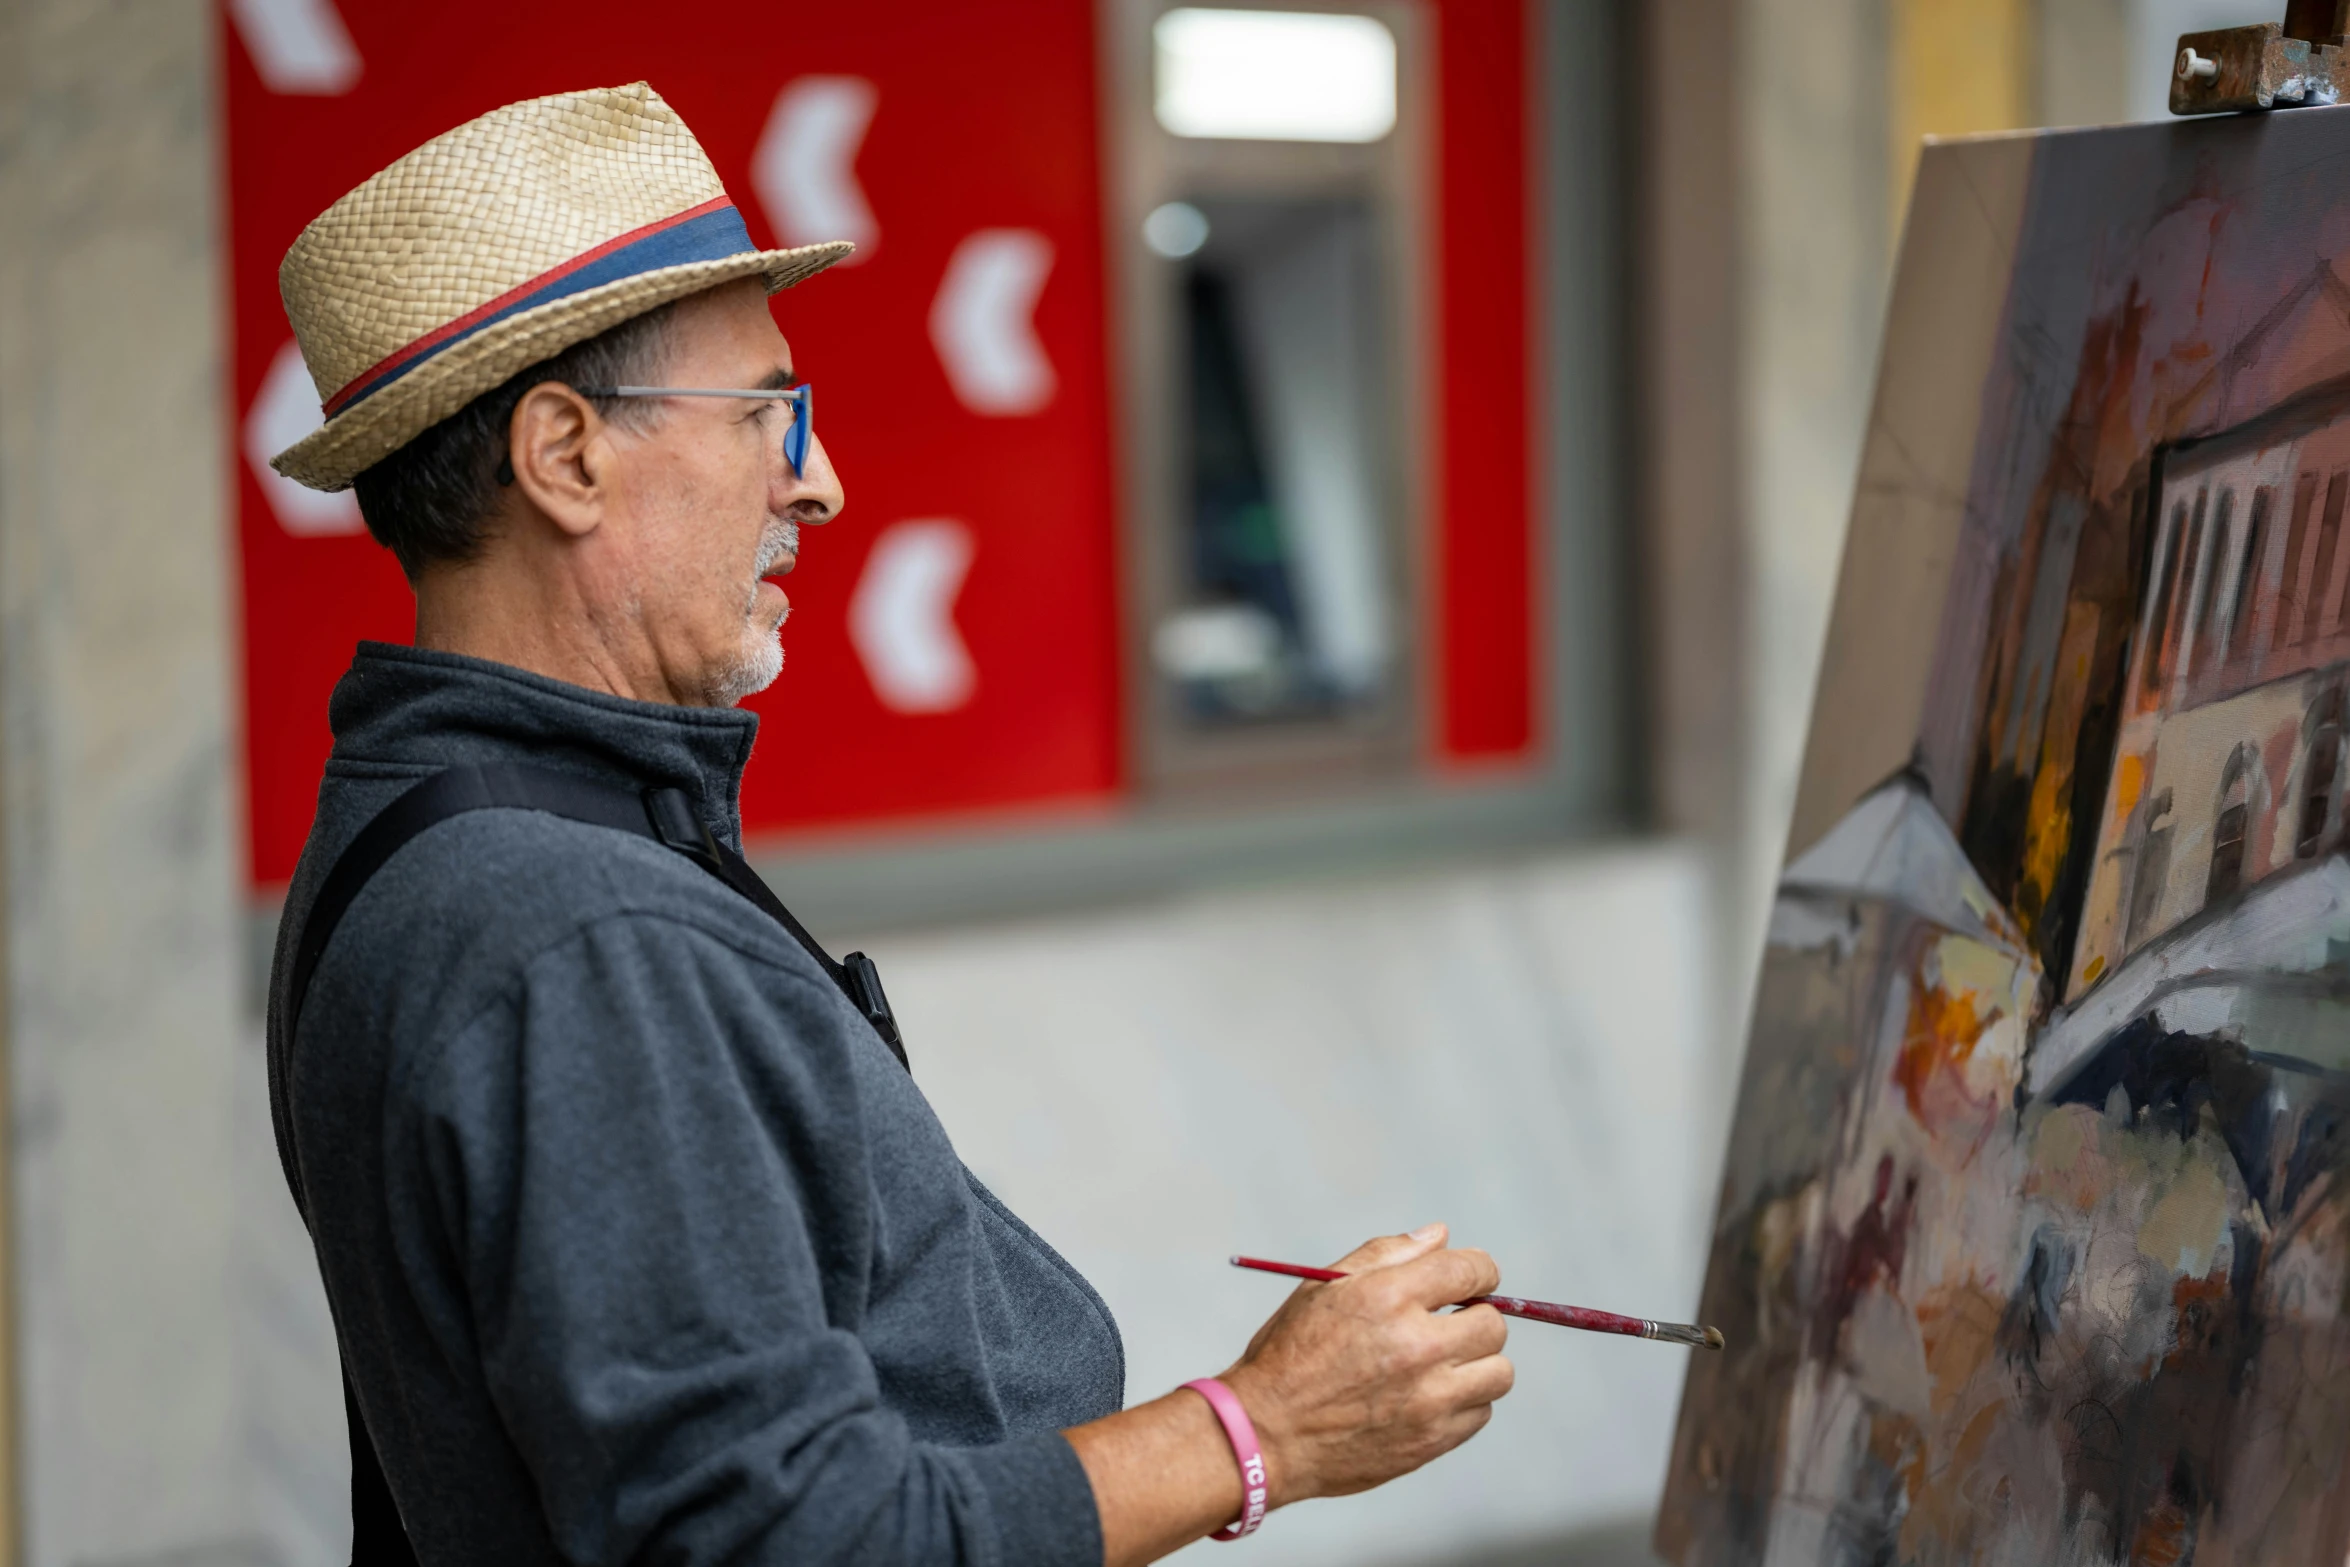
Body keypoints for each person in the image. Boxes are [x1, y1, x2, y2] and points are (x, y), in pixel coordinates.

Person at [264, 81, 1512, 1567]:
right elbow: (779, 1538)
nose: (821, 478)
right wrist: (1261, 1428)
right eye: (766, 414)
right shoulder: (570, 930)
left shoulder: (416, 834)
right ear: (566, 455)